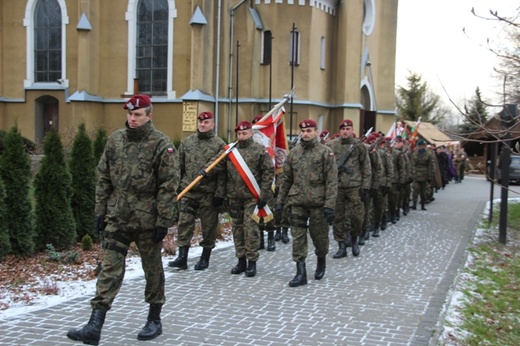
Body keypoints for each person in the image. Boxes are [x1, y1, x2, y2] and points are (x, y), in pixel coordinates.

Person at [67, 94, 179, 344]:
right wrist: (100, 211)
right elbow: (104, 178)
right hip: (118, 217)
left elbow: (168, 185)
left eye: (138, 114)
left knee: (152, 269)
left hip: (148, 219)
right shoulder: (115, 140)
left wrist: (163, 220)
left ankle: (154, 319)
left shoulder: (162, 143)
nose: (132, 118)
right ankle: (94, 325)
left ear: (149, 116)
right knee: (109, 268)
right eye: (130, 114)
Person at [276, 119, 338, 287]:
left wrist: (330, 205)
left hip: (318, 202)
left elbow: (332, 181)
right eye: (303, 131)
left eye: (309, 130)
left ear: (315, 132)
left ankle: (321, 259)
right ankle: (300, 272)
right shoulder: (294, 153)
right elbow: (286, 179)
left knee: (319, 237)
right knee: (298, 237)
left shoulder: (325, 152)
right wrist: (280, 202)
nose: (305, 134)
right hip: (297, 201)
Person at [168, 111, 226, 271]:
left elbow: (223, 173)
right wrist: (176, 186)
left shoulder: (220, 145)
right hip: (189, 190)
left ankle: (205, 257)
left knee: (209, 227)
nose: (202, 124)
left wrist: (220, 194)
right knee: (184, 223)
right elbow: (179, 166)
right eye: (200, 122)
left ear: (213, 124)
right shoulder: (188, 142)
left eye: (206, 122)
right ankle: (182, 257)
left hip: (208, 193)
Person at [227, 121, 274, 277]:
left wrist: (264, 195)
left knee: (250, 228)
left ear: (251, 133)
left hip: (252, 197)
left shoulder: (259, 150)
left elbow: (268, 173)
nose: (241, 136)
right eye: (239, 134)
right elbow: (224, 174)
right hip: (235, 197)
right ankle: (241, 260)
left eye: (244, 133)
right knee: (237, 229)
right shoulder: (231, 151)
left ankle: (252, 261)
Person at [326, 119, 371, 258]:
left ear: (352, 130)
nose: (345, 131)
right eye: (343, 129)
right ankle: (341, 245)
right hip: (337, 187)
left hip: (354, 187)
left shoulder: (359, 146)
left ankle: (354, 239)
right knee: (338, 217)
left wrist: (365, 186)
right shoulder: (331, 145)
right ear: (340, 131)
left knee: (357, 217)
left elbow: (366, 166)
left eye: (348, 129)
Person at [411, 139, 435, 210]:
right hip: (416, 174)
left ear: (424, 146)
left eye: (421, 146)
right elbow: (411, 164)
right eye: (418, 146)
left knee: (423, 191)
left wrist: (430, 176)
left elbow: (431, 166)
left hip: (424, 175)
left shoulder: (429, 154)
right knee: (415, 190)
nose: (419, 147)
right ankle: (414, 204)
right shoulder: (415, 153)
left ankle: (423, 205)